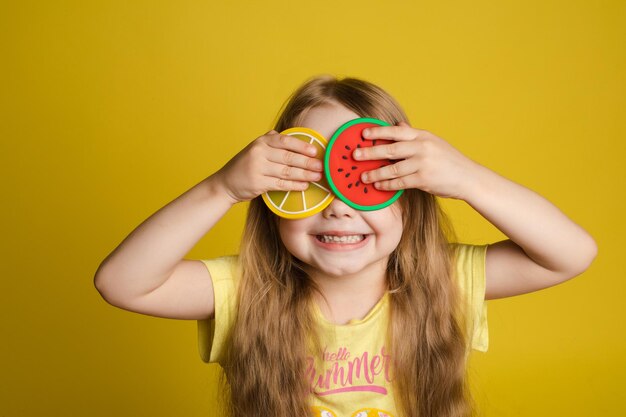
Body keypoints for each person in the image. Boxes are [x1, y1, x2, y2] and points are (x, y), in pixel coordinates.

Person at [94, 74, 598, 417]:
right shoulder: (245, 292)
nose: (338, 207)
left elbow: (571, 254)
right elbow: (121, 283)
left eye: (365, 182)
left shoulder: (445, 283)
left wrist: (468, 179)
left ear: (411, 197)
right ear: (271, 202)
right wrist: (221, 188)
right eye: (310, 185)